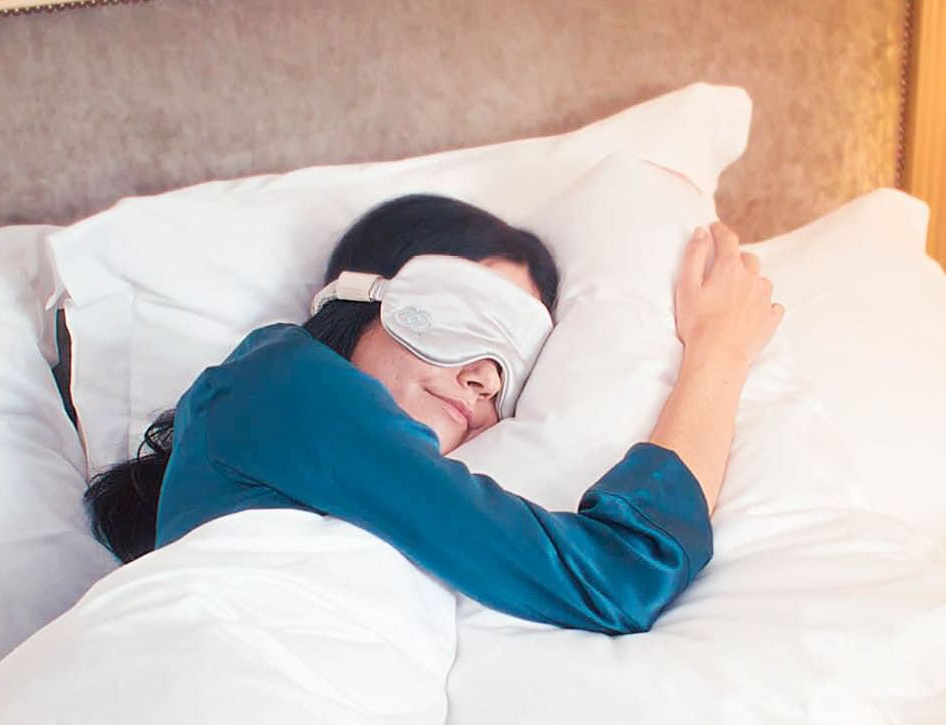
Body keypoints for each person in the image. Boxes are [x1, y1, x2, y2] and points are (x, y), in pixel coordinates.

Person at [86, 192, 782, 633]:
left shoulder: (396, 503)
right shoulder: (277, 379)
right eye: (466, 314)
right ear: (358, 298)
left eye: (517, 361)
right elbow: (621, 574)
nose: (485, 375)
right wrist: (718, 353)